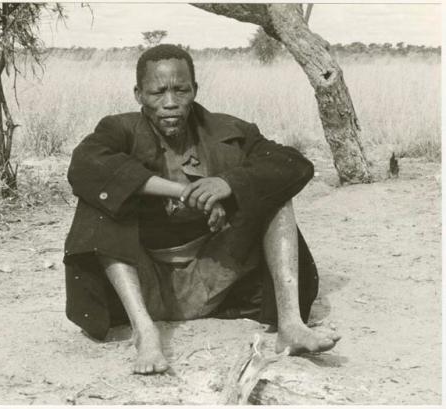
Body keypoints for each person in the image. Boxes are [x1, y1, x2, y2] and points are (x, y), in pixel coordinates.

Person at [64, 44, 340, 375]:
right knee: (102, 199)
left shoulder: (231, 131)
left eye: (181, 90)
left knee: (273, 192)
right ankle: (145, 331)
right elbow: (86, 165)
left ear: (195, 89)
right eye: (157, 92)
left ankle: (291, 325)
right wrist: (185, 191)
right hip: (144, 282)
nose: (170, 102)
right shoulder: (118, 130)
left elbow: (293, 165)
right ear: (138, 94)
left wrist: (229, 184)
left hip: (216, 280)